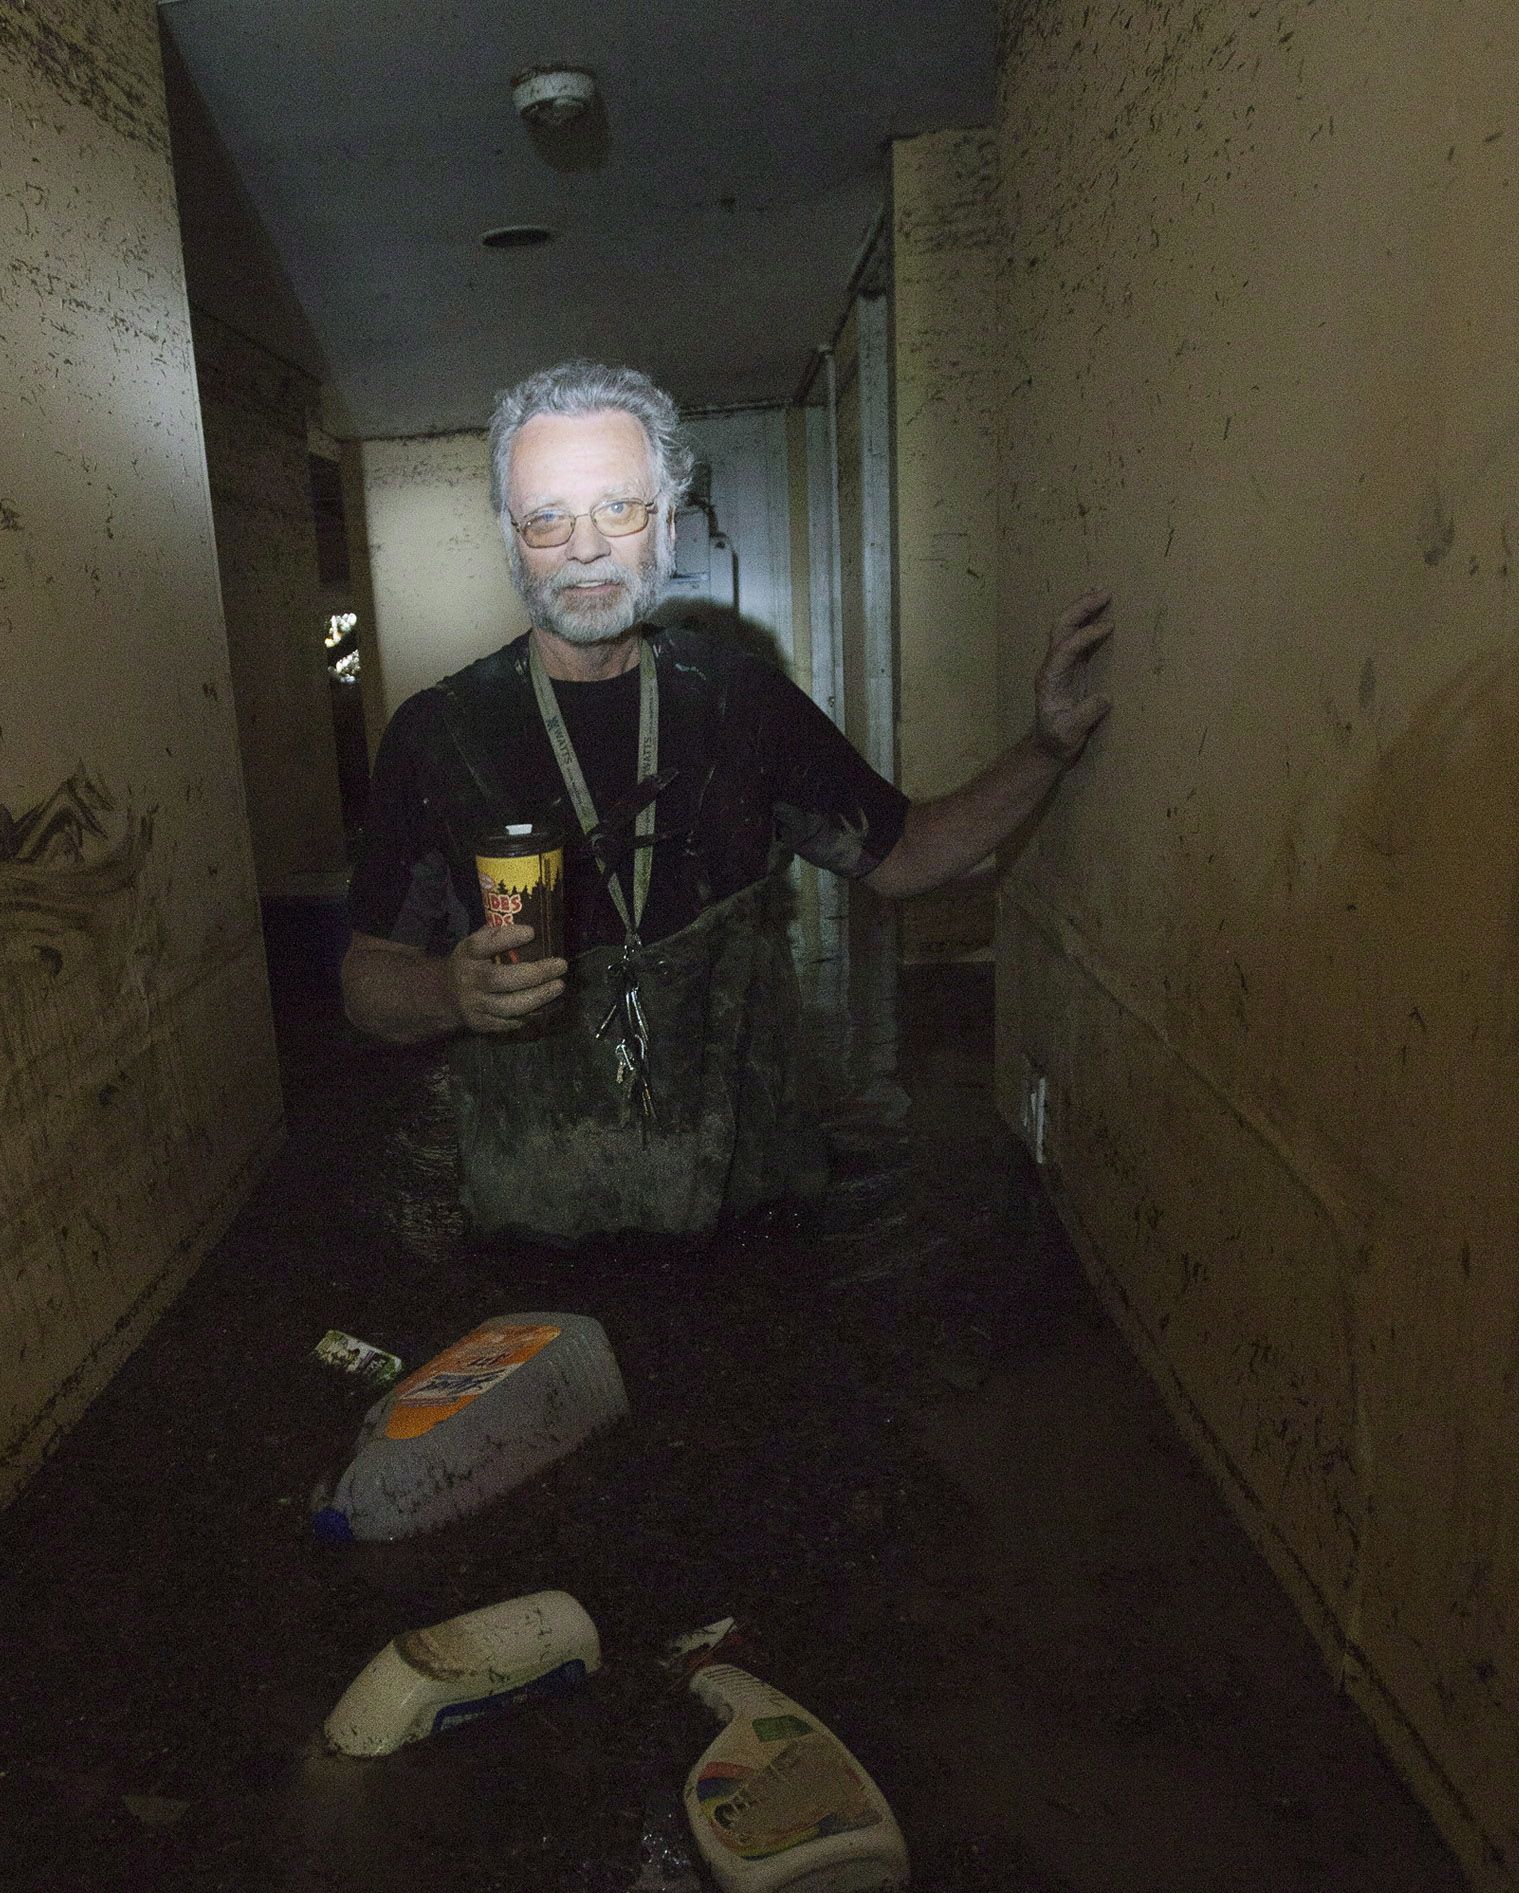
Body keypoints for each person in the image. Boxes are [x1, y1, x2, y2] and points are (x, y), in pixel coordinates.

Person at [343, 359, 1112, 1242]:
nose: (585, 547)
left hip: (748, 1186)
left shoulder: (739, 697)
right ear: (508, 535)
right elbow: (368, 981)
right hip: (539, 1205)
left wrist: (1045, 747)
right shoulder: (440, 731)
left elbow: (907, 858)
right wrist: (449, 991)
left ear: (667, 519)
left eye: (617, 508)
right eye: (546, 517)